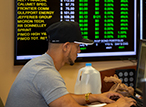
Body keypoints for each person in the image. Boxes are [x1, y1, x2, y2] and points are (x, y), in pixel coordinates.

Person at [6, 21, 136, 107]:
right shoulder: (45, 73)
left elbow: (63, 98)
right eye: (77, 46)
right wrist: (117, 105)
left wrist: (95, 97)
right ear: (66, 46)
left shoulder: (39, 63)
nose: (79, 50)